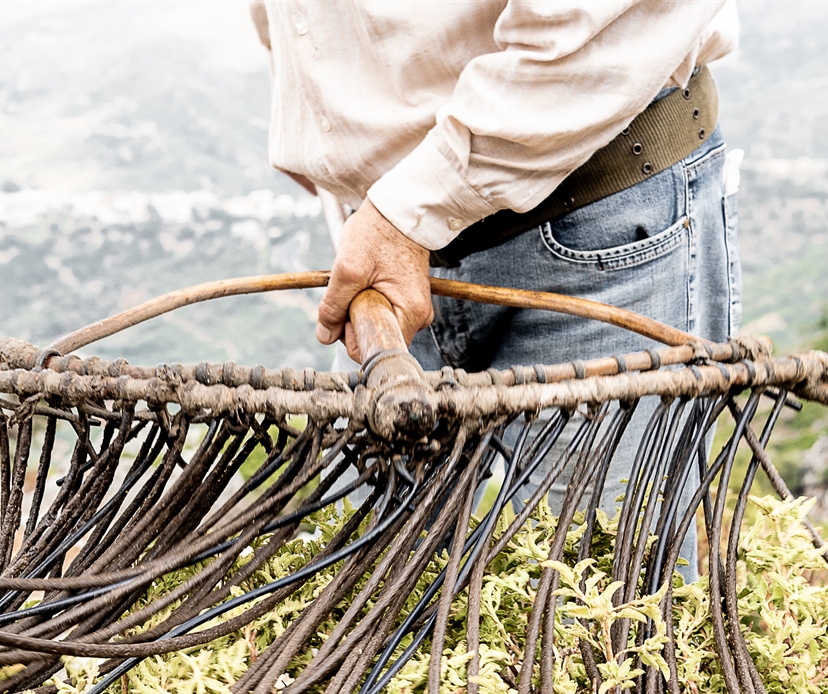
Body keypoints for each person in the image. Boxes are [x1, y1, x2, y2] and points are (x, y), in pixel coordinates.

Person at [250, 1, 743, 510]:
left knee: (590, 573)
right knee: (368, 573)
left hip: (595, 218)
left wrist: (406, 210)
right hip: (384, 248)